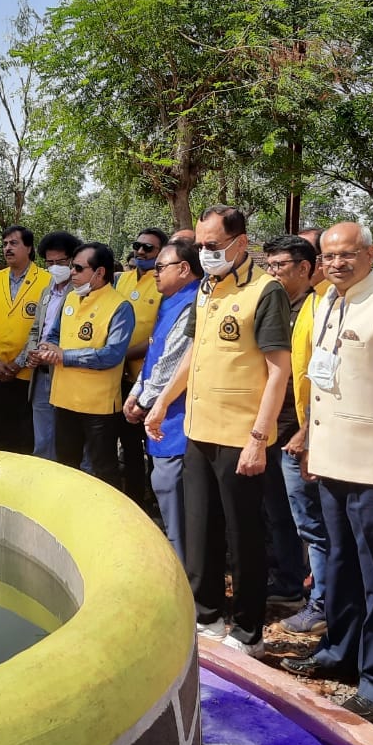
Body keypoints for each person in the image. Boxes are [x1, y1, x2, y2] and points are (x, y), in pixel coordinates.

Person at [281, 222, 373, 727]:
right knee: (342, 565)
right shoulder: (327, 302)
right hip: (333, 463)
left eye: (346, 255)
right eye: (328, 256)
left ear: (368, 254)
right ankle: (339, 652)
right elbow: (324, 381)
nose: (336, 264)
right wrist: (310, 441)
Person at [146, 205, 292, 657]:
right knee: (200, 529)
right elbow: (193, 352)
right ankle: (207, 614)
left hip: (239, 435)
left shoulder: (265, 291)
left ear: (240, 242)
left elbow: (278, 370)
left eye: (212, 245)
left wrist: (258, 438)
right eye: (200, 245)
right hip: (199, 429)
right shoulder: (207, 287)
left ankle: (248, 632)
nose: (205, 253)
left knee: (243, 536)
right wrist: (163, 401)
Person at [260, 234, 325, 632]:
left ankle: (322, 602)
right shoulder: (274, 306)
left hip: (296, 433)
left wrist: (305, 431)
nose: (272, 273)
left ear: (304, 268)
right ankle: (287, 583)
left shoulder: (318, 311)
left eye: (279, 265)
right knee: (278, 513)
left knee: (309, 522)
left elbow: (320, 379)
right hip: (269, 428)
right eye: (268, 265)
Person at [123, 237, 201, 559]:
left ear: (183, 269)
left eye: (159, 267)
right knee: (165, 490)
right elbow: (156, 353)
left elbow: (174, 361)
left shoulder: (192, 303)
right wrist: (136, 392)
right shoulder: (170, 301)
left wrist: (144, 401)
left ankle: (183, 570)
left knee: (175, 496)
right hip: (160, 414)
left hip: (177, 419)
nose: (154, 273)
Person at [32, 242, 135, 487]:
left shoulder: (120, 307)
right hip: (64, 399)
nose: (72, 273)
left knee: (103, 470)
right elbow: (54, 334)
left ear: (100, 272)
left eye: (78, 268)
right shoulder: (71, 298)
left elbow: (112, 355)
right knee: (66, 466)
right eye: (72, 267)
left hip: (98, 406)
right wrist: (46, 348)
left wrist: (64, 357)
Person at [0, 226, 49, 455]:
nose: (7, 248)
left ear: (28, 248)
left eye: (14, 243)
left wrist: (19, 362)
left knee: (26, 434)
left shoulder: (46, 281)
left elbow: (44, 329)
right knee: (1, 433)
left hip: (29, 372)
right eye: (5, 244)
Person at [116, 228, 168, 507]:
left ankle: (156, 498)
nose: (140, 251)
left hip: (150, 379)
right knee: (128, 442)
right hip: (119, 377)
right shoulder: (120, 280)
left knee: (153, 442)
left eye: (148, 248)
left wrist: (122, 354)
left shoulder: (163, 283)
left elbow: (162, 336)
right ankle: (135, 498)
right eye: (138, 245)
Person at [25, 231, 82, 460]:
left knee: (68, 435)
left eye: (61, 262)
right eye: (50, 263)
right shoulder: (47, 290)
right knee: (42, 435)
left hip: (65, 371)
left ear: (73, 260)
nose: (55, 267)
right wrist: (32, 351)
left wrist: (54, 351)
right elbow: (35, 328)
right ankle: (42, 472)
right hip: (41, 372)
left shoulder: (80, 292)